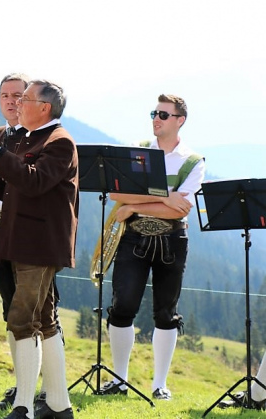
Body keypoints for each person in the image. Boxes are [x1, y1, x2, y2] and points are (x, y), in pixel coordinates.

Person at [0, 79, 78, 419]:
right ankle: (59, 406)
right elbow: (7, 186)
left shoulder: (59, 142)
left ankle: (24, 407)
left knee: (21, 318)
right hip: (22, 241)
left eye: (25, 99)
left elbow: (34, 181)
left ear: (45, 108)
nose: (18, 104)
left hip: (40, 244)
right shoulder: (31, 138)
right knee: (44, 320)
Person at [101, 94, 205, 401]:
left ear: (179, 120)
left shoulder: (193, 161)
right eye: (154, 113)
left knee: (165, 312)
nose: (156, 119)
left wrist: (136, 205)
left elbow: (180, 210)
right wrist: (163, 197)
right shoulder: (139, 152)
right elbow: (115, 193)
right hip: (133, 238)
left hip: (172, 240)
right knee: (122, 307)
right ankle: (120, 380)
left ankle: (159, 384)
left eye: (163, 114)